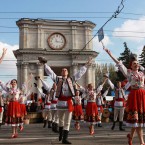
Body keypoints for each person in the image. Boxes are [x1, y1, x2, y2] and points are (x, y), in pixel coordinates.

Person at [38, 56, 92, 144]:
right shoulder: (57, 79)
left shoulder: (71, 79)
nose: (64, 70)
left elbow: (79, 73)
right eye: (62, 70)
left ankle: (64, 139)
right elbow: (50, 72)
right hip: (60, 103)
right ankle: (60, 133)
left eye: (65, 70)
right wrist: (44, 64)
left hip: (69, 103)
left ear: (67, 72)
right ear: (61, 72)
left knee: (67, 122)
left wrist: (86, 64)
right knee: (61, 121)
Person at [104, 48, 145, 145]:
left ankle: (130, 136)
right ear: (131, 65)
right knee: (137, 121)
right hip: (135, 97)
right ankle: (142, 142)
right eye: (134, 63)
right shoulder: (129, 73)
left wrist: (141, 66)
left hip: (142, 96)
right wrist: (110, 54)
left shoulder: (142, 73)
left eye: (137, 63)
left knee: (137, 122)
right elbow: (119, 63)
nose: (136, 64)